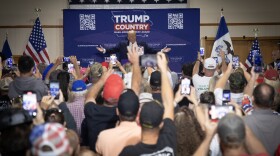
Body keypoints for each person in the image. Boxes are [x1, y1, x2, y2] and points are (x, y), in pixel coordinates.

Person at [120, 52, 176, 155]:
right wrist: (163, 69)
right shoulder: (169, 143)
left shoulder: (129, 152)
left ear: (138, 121)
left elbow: (135, 91)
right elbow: (168, 104)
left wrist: (136, 63)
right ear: (162, 124)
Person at [244, 83, 280, 155]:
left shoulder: (245, 120)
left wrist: (253, 77)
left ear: (253, 98)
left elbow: (246, 96)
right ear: (273, 100)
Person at [96, 30, 171, 61]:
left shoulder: (142, 44)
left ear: (136, 36)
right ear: (128, 37)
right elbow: (112, 49)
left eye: (133, 36)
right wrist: (104, 50)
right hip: (125, 66)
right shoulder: (122, 44)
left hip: (139, 66)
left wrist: (161, 50)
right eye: (130, 36)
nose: (131, 38)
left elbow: (152, 50)